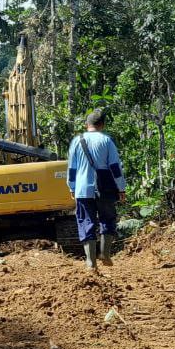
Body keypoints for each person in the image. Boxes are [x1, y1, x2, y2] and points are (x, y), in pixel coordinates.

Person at [67, 109, 126, 272]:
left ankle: (90, 262)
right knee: (107, 218)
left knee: (86, 221)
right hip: (105, 188)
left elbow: (72, 168)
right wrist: (121, 188)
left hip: (82, 189)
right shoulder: (107, 141)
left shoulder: (76, 141)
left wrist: (72, 187)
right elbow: (115, 167)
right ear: (103, 124)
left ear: (87, 125)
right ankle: (105, 254)